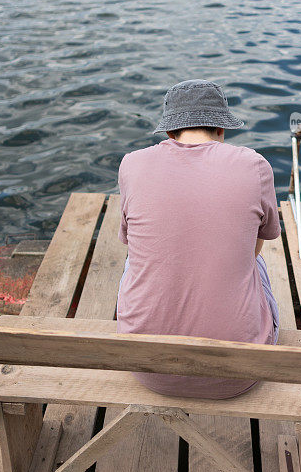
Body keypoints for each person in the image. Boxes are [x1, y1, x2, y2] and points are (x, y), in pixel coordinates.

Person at [116, 79, 281, 399]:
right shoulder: (254, 165)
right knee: (254, 264)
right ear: (222, 128)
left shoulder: (132, 163)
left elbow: (129, 240)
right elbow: (258, 246)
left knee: (134, 260)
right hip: (239, 373)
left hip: (146, 367)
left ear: (169, 131)